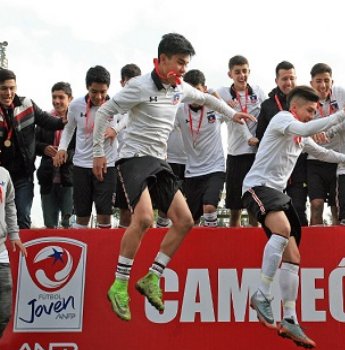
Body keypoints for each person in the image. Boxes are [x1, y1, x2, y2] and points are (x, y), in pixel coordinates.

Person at [92, 33, 254, 321]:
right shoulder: (139, 87)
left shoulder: (179, 88)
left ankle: (151, 278)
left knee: (185, 221)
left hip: (159, 162)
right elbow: (105, 111)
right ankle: (118, 285)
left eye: (186, 64)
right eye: (179, 63)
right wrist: (99, 153)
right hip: (132, 160)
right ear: (162, 58)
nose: (182, 69)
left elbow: (206, 99)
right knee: (143, 219)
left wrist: (234, 114)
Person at [245, 85, 345, 349]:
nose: (313, 115)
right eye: (310, 110)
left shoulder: (300, 134)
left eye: (315, 111)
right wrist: (343, 113)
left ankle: (289, 318)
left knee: (294, 257)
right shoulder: (283, 119)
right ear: (294, 109)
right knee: (281, 230)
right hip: (257, 187)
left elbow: (321, 152)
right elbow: (304, 130)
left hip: (276, 194)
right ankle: (261, 294)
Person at [0, 69, 66, 229]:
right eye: (3, 88)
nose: (9, 93)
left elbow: (48, 121)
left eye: (12, 88)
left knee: (22, 217)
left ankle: (20, 254)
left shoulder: (27, 104)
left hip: (24, 174)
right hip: (1, 176)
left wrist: (67, 119)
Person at [55, 65, 117, 229]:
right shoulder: (75, 106)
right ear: (87, 87)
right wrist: (62, 148)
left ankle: (105, 252)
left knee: (104, 214)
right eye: (94, 91)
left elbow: (129, 119)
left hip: (107, 165)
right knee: (82, 215)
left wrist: (115, 129)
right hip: (81, 165)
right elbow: (68, 129)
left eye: (103, 92)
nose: (98, 96)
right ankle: (82, 252)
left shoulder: (116, 105)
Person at [256, 61, 308, 225]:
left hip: (297, 163)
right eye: (284, 78)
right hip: (274, 168)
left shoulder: (304, 102)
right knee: (273, 211)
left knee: (298, 207)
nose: (288, 83)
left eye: (292, 78)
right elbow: (261, 136)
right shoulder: (268, 105)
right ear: (277, 81)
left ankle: (301, 246)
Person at [216, 55, 265, 227]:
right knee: (234, 207)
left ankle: (254, 243)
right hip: (235, 154)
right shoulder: (222, 93)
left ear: (249, 71)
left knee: (253, 205)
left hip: (255, 155)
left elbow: (267, 116)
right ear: (230, 74)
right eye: (237, 72)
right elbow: (211, 103)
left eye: (244, 71)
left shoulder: (258, 91)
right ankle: (232, 246)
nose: (241, 75)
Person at [174, 69, 226, 227]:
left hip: (215, 168)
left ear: (204, 89)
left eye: (198, 90)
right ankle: (194, 250)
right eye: (191, 92)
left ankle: (212, 244)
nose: (194, 96)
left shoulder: (214, 107)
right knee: (191, 218)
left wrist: (214, 96)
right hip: (192, 171)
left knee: (209, 207)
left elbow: (232, 115)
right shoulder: (179, 110)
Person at [307, 63, 345, 225]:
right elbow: (299, 125)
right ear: (311, 83)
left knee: (337, 208)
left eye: (326, 80)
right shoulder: (306, 99)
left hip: (338, 160)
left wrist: (332, 131)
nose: (323, 85)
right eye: (318, 81)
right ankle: (315, 245)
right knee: (316, 204)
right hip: (314, 160)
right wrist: (311, 133)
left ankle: (337, 247)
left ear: (332, 82)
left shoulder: (342, 94)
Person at [36, 81, 75, 228]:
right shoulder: (44, 119)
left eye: (61, 97)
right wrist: (45, 148)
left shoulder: (76, 120)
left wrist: (66, 155)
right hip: (47, 180)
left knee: (69, 225)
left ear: (70, 99)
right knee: (49, 224)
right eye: (54, 97)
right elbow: (32, 144)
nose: (56, 101)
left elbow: (83, 148)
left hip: (69, 181)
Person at [109, 63, 142, 228]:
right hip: (123, 163)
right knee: (125, 212)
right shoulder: (114, 104)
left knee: (146, 214)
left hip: (145, 162)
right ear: (122, 83)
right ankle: (121, 249)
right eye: (129, 84)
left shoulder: (146, 102)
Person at [0, 166, 25, 339]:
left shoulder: (4, 173)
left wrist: (14, 234)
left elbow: (10, 204)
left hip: (1, 251)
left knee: (4, 312)